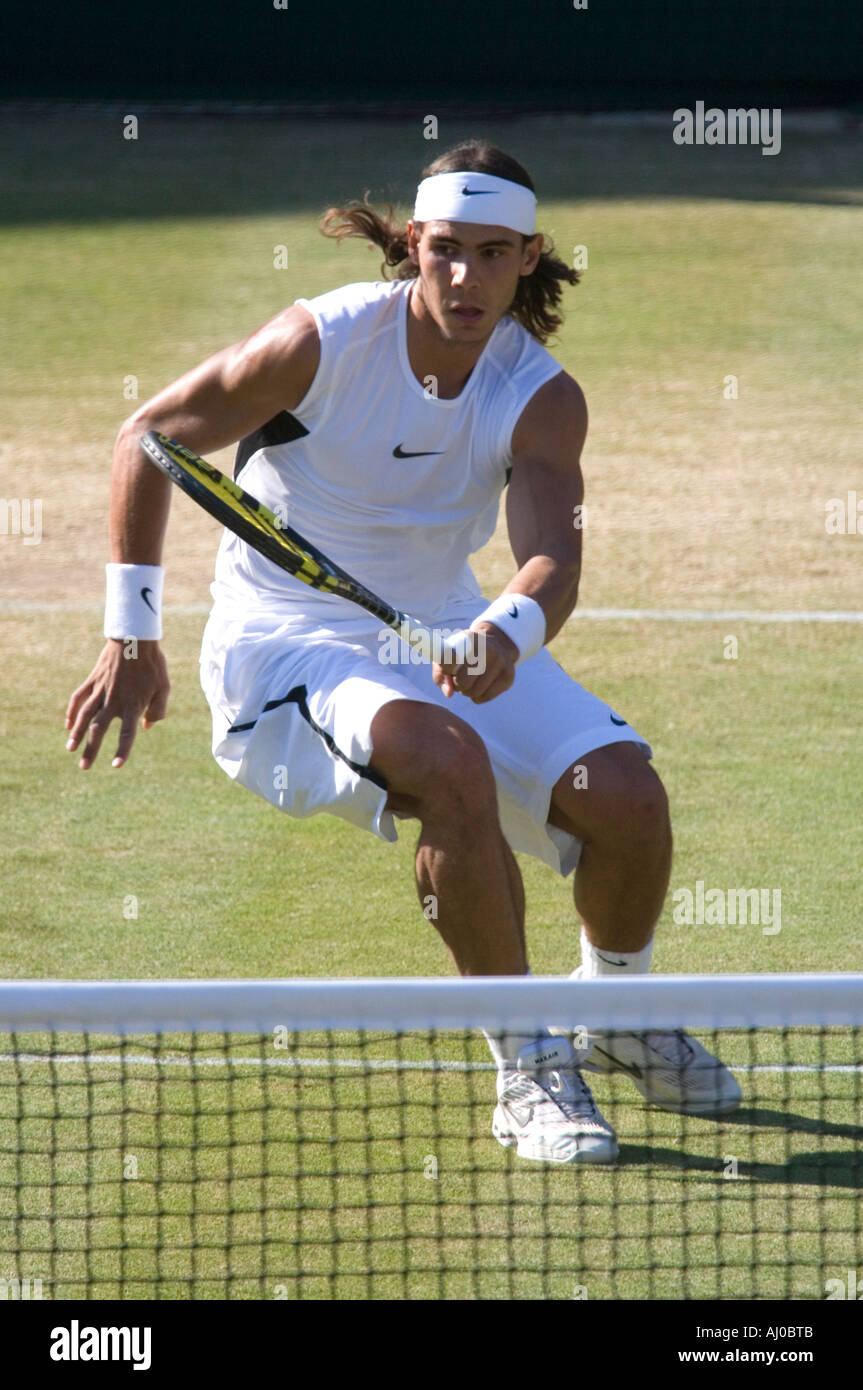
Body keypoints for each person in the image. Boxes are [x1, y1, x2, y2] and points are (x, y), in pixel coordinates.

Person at [65, 139, 740, 1164]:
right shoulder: (319, 342)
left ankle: (615, 1008)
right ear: (411, 247)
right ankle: (525, 1065)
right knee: (446, 763)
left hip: (441, 628)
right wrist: (132, 633)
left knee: (627, 799)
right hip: (284, 647)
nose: (463, 278)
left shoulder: (540, 394)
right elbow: (147, 438)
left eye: (491, 253)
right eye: (443, 251)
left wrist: (501, 631)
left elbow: (551, 554)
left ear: (529, 257)